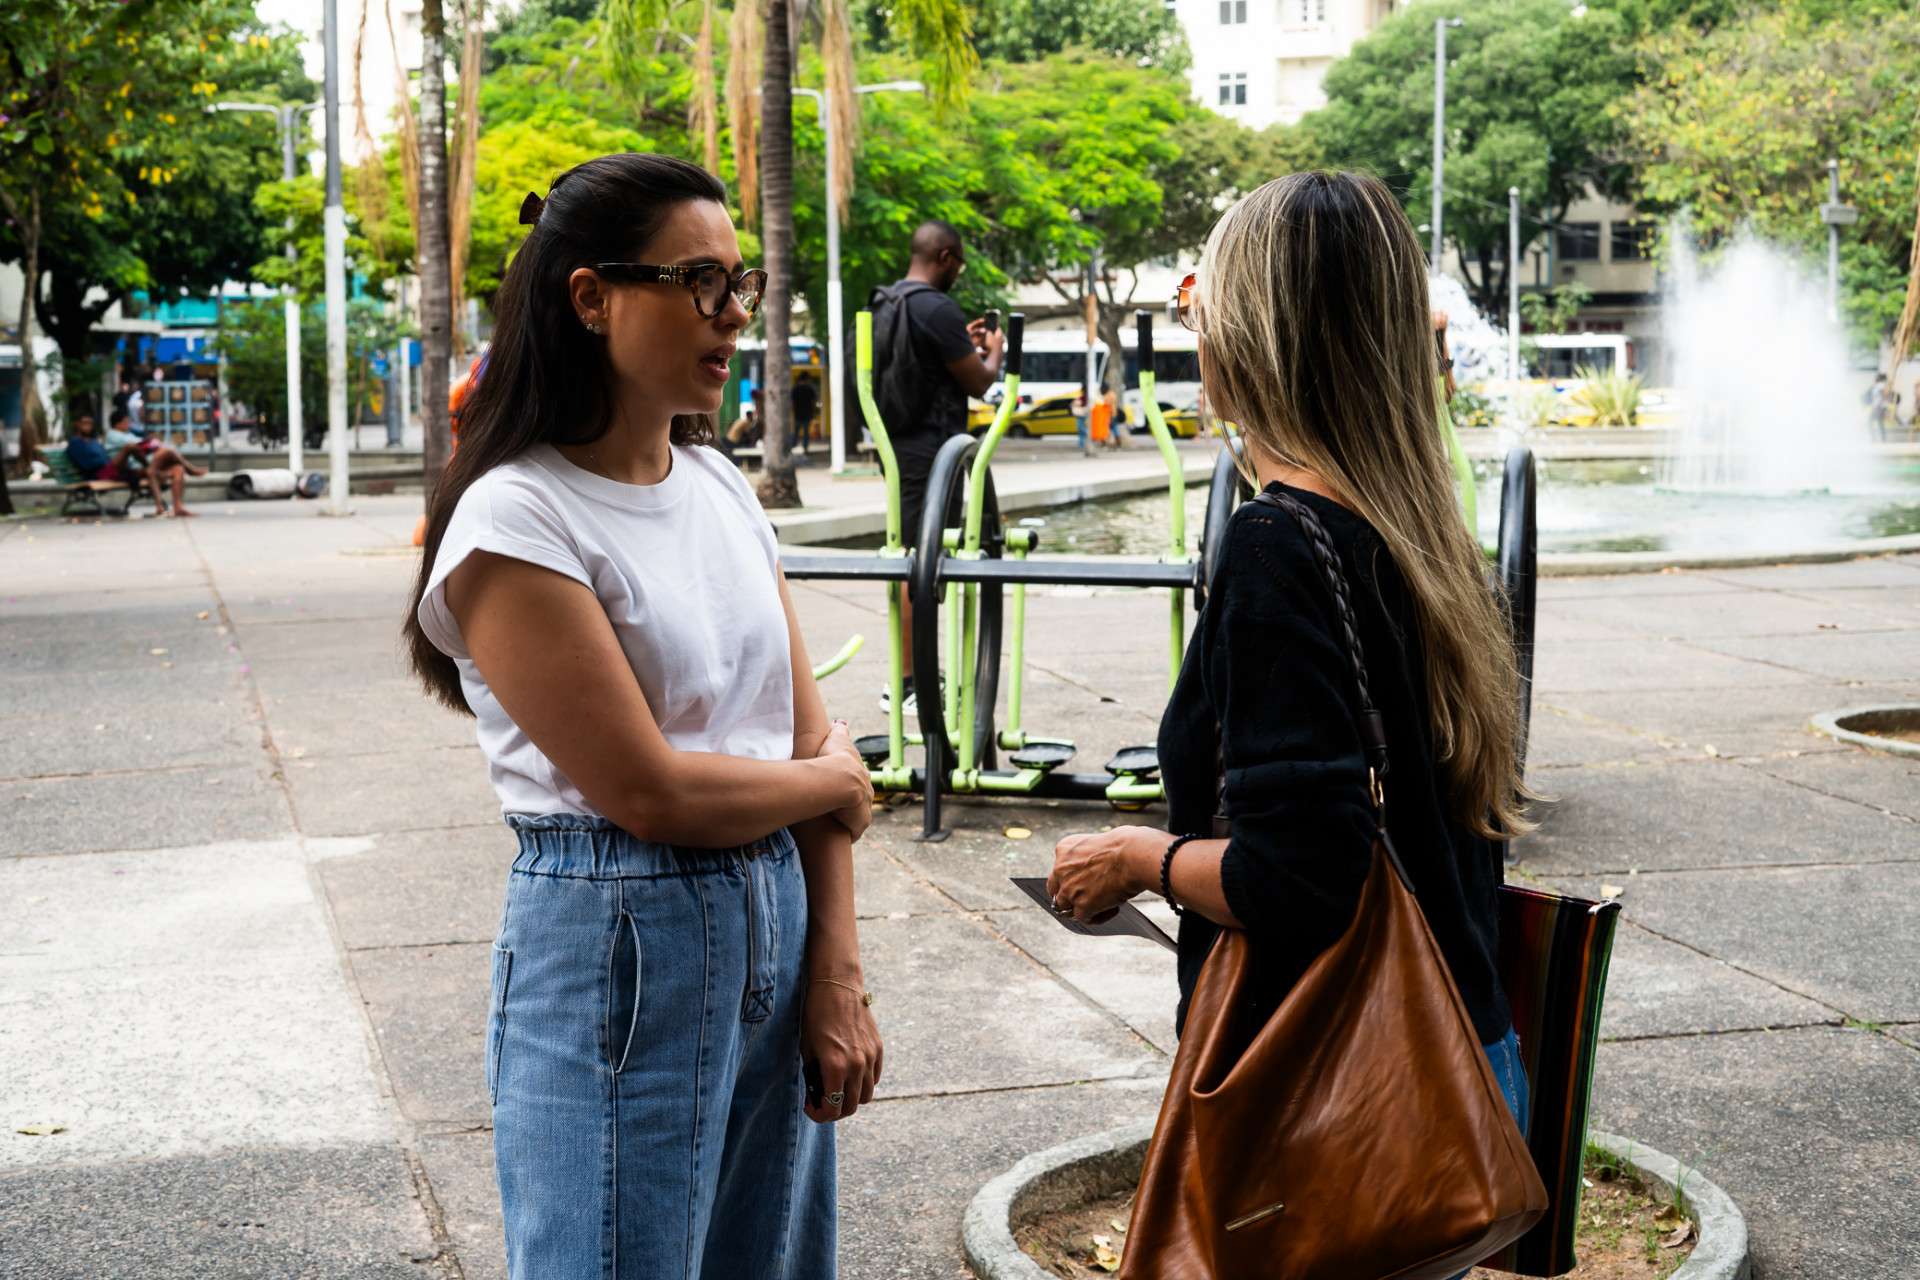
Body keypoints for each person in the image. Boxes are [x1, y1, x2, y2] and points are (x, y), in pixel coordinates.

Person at [400, 153, 881, 1280]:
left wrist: (836, 973)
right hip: (618, 936)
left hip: (777, 913)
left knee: (764, 1257)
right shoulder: (516, 517)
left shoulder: (717, 487)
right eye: (700, 282)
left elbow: (806, 737)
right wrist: (834, 785)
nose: (733, 315)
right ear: (591, 296)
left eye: (741, 284)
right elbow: (650, 789)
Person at [1045, 172, 1534, 1221]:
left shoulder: (1279, 544)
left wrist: (1133, 858)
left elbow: (1303, 877)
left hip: (1343, 1098)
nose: (1193, 328)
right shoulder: (1423, 533)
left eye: (1198, 301)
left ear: (1264, 331)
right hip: (1461, 1055)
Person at [870, 219, 1004, 715]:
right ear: (945, 257)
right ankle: (909, 682)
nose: (958, 272)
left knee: (910, 554)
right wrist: (992, 352)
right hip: (933, 453)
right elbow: (977, 382)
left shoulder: (885, 301)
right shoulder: (938, 306)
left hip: (896, 444)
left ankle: (913, 674)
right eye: (959, 263)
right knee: (921, 563)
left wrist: (959, 342)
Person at [1071, 387, 1093, 456]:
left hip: (1082, 413)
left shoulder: (1084, 397)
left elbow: (1083, 404)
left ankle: (1088, 435)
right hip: (1081, 413)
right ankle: (1081, 442)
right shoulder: (1084, 396)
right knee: (1080, 429)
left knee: (1080, 427)